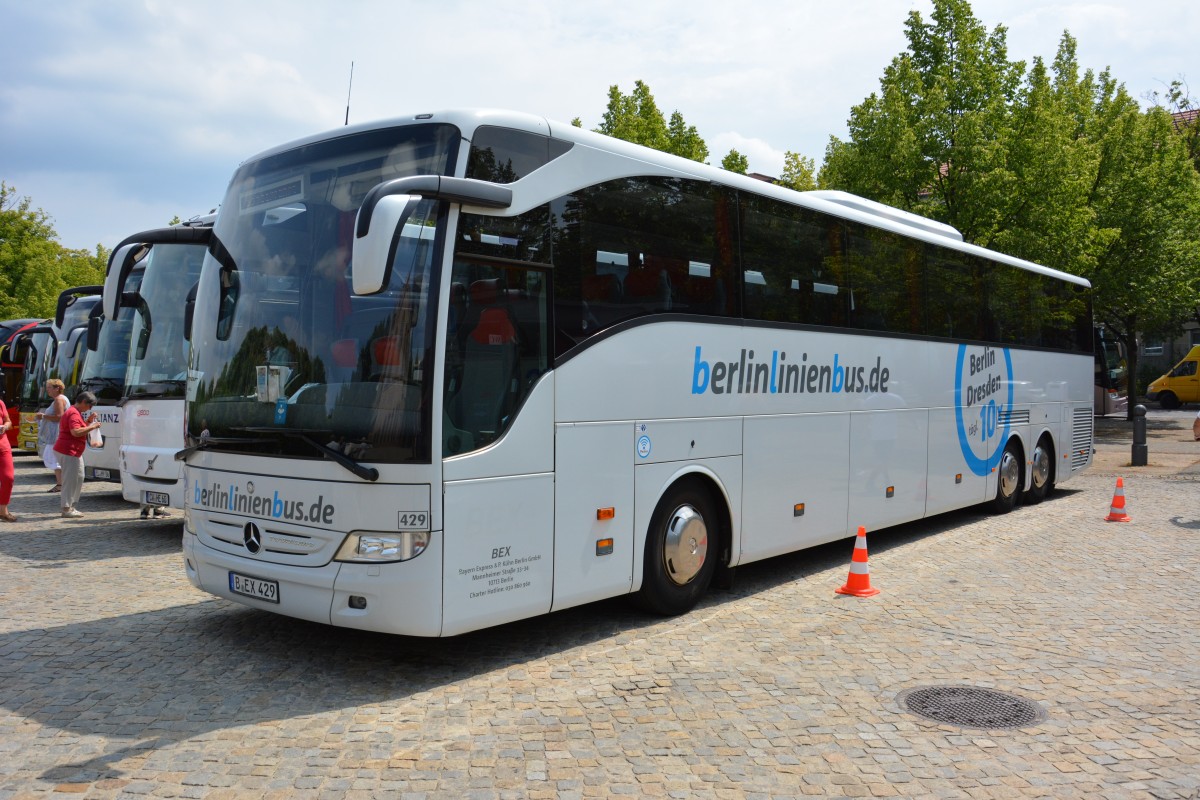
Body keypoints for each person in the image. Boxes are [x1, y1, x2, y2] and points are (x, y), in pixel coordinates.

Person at [53, 390, 102, 519]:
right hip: (68, 451)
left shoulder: (76, 412)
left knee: (79, 477)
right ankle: (66, 509)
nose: (90, 409)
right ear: (84, 402)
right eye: (90, 406)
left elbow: (79, 427)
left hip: (73, 451)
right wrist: (93, 426)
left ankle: (71, 506)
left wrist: (88, 421)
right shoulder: (73, 413)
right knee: (70, 480)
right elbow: (75, 432)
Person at [36, 378, 69, 492]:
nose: (47, 390)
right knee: (54, 459)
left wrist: (43, 416)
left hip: (56, 435)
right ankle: (61, 484)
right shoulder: (60, 399)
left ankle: (61, 484)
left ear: (57, 388)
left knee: (53, 459)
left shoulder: (59, 399)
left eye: (49, 388)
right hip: (56, 434)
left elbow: (60, 417)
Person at [0, 398, 15, 522]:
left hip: (3, 446)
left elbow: (8, 421)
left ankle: (3, 510)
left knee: (8, 478)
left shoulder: (0, 403)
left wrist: (5, 426)